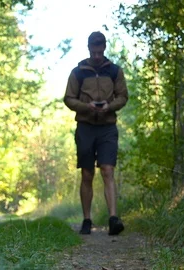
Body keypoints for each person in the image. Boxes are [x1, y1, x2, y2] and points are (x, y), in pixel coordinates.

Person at [63, 31, 128, 235]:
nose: (98, 56)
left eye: (100, 52)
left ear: (104, 48)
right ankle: (86, 220)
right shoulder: (78, 72)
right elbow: (68, 98)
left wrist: (109, 106)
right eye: (94, 51)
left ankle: (113, 219)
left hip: (108, 126)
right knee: (87, 173)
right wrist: (86, 106)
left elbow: (123, 96)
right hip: (86, 127)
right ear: (89, 48)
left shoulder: (115, 71)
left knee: (108, 170)